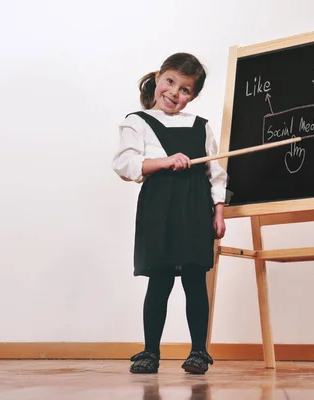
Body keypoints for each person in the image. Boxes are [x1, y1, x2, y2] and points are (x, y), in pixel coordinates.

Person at [112, 52, 228, 375]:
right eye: (171, 82)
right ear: (159, 77)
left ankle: (199, 352)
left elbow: (216, 174)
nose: (175, 93)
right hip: (159, 210)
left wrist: (218, 212)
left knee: (195, 281)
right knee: (159, 281)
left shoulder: (201, 127)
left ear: (193, 96)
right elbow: (125, 164)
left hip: (194, 209)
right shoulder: (138, 121)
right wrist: (166, 161)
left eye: (186, 89)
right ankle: (150, 351)